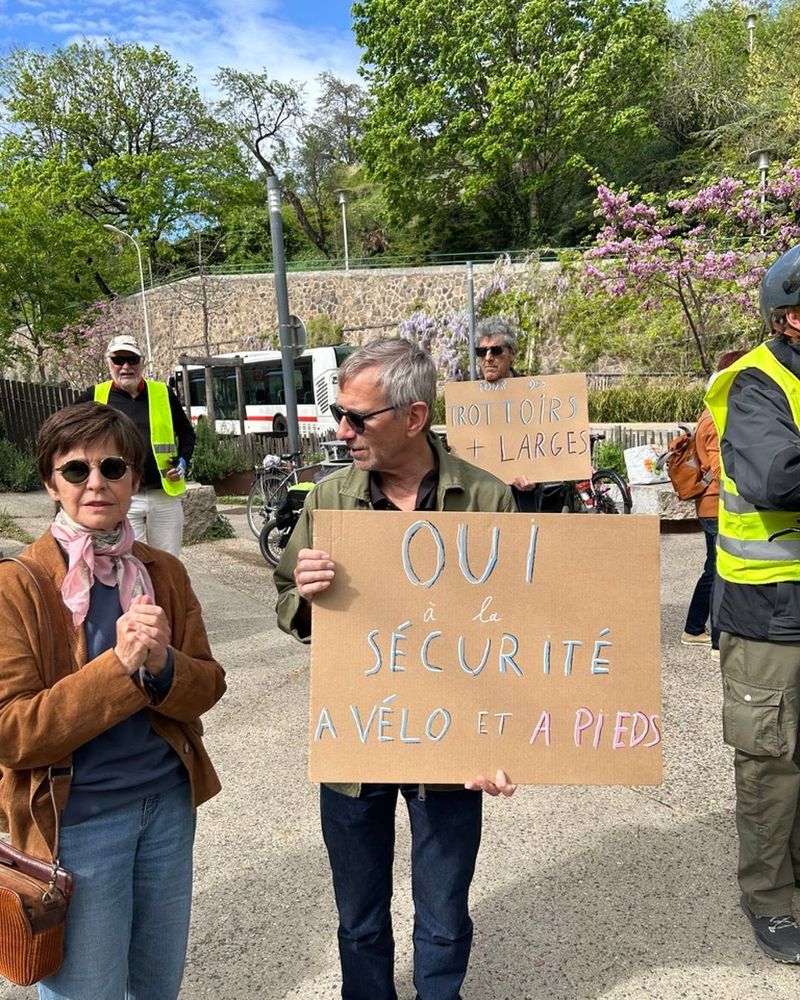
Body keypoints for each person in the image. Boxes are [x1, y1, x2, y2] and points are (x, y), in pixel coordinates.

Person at [275, 337, 517, 1000]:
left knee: (444, 913)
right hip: (356, 741)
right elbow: (287, 601)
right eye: (338, 414)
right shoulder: (328, 501)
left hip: (453, 741)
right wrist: (307, 595)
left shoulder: (487, 499)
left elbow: (519, 634)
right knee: (359, 917)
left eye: (358, 418)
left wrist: (505, 741)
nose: (341, 430)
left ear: (414, 418)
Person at [0, 401, 226, 999]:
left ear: (133, 478)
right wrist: (119, 667)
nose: (95, 483)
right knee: (87, 992)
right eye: (76, 470)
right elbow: (12, 732)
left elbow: (209, 684)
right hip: (78, 823)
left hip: (166, 808)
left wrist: (163, 665)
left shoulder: (164, 573)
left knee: (156, 985)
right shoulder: (16, 586)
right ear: (51, 483)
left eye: (113, 467)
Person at [705, 243, 800, 964]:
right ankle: (768, 899)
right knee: (771, 763)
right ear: (790, 316)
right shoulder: (756, 383)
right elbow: (777, 478)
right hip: (769, 614)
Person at [76, 334, 195, 556]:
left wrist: (183, 461)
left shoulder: (162, 393)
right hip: (119, 496)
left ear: (142, 362)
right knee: (126, 563)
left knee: (168, 562)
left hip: (163, 494)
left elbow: (187, 433)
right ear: (108, 362)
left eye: (132, 360)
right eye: (118, 360)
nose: (125, 367)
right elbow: (66, 435)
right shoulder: (95, 395)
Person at [681, 350, 747, 661]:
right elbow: (720, 465)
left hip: (712, 503)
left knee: (713, 568)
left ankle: (694, 628)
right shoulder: (717, 417)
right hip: (716, 504)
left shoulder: (710, 413)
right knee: (720, 571)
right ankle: (717, 641)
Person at [475, 316, 541, 512]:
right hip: (481, 500)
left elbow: (548, 445)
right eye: (481, 352)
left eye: (496, 350)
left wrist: (537, 477)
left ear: (511, 354)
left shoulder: (534, 394)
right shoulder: (467, 401)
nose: (488, 358)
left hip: (522, 499)